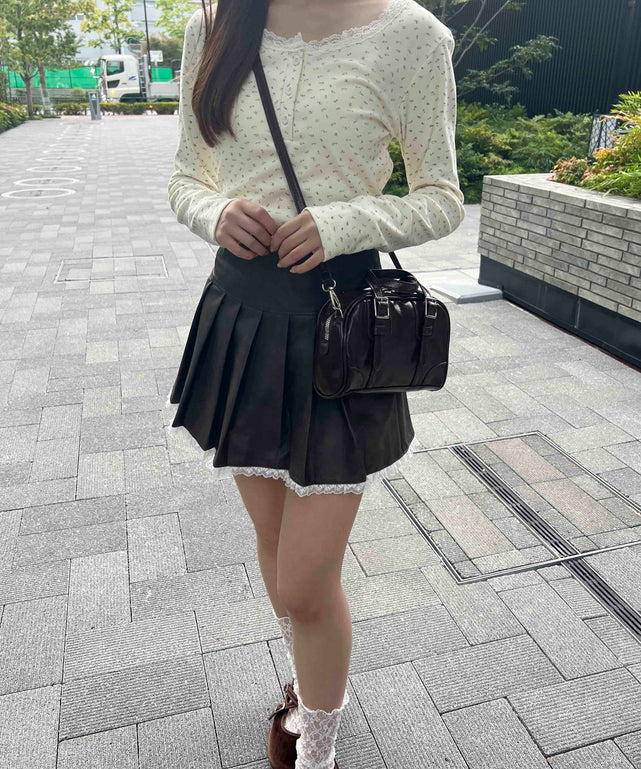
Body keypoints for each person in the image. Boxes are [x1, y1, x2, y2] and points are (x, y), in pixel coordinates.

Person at [165, 0, 465, 766]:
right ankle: (306, 687)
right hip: (243, 317)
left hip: (342, 330)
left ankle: (317, 749)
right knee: (274, 545)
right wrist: (214, 213)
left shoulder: (411, 36)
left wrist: (347, 222)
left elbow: (441, 196)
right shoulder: (216, 25)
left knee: (304, 581)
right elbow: (186, 176)